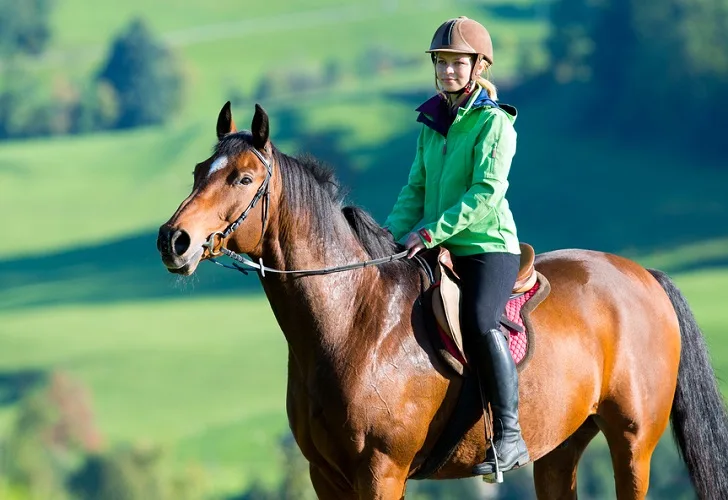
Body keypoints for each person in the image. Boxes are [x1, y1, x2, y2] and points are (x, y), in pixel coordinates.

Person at [383, 16, 529, 477]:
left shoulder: (495, 124)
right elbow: (414, 189)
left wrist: (428, 233)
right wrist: (386, 241)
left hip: (487, 245)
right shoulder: (432, 123)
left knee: (482, 318)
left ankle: (510, 435)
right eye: (441, 63)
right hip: (437, 242)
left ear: (478, 66)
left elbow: (486, 194)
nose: (447, 71)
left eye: (456, 63)